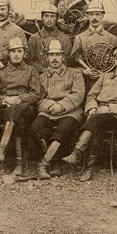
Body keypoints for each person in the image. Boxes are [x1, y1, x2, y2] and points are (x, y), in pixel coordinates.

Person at [63, 45, 117, 181]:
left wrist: (109, 108)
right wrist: (92, 108)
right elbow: (92, 95)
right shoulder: (105, 76)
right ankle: (88, 168)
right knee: (94, 123)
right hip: (98, 114)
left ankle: (77, 153)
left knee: (95, 121)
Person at [31, 40, 85, 180]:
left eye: (57, 55)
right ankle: (55, 162)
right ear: (47, 57)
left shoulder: (75, 73)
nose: (54, 58)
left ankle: (44, 164)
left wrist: (61, 105)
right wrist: (49, 105)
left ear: (63, 57)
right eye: (51, 55)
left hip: (70, 109)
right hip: (48, 109)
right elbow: (38, 97)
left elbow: (78, 94)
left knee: (65, 128)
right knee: (36, 126)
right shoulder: (41, 76)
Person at [0, 37, 40, 176]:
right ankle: (19, 164)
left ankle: (2, 148)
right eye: (13, 52)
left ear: (24, 53)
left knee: (16, 111)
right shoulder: (0, 73)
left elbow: (36, 94)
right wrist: (7, 99)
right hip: (5, 108)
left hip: (26, 107)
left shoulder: (31, 70)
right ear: (9, 54)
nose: (17, 54)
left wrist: (19, 99)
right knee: (19, 122)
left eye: (20, 51)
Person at [71, 0, 117, 91]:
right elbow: (73, 63)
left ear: (103, 15)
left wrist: (105, 74)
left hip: (106, 82)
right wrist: (84, 71)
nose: (94, 17)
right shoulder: (79, 38)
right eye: (91, 14)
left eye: (97, 14)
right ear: (87, 16)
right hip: (85, 82)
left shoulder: (112, 38)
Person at [27, 4, 72, 74]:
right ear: (42, 17)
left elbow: (68, 61)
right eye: (46, 16)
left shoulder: (65, 39)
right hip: (40, 76)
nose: (49, 19)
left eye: (52, 16)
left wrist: (56, 71)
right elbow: (30, 61)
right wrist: (43, 70)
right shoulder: (34, 38)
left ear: (57, 18)